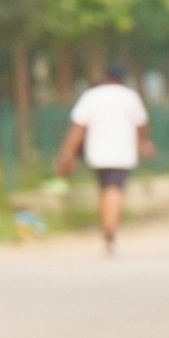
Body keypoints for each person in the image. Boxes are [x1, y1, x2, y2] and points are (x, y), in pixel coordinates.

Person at [57, 66, 154, 252]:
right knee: (115, 188)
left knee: (104, 189)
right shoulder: (130, 97)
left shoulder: (91, 96)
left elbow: (78, 127)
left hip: (97, 151)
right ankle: (110, 228)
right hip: (123, 152)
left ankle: (107, 226)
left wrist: (68, 151)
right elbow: (140, 125)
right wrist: (143, 143)